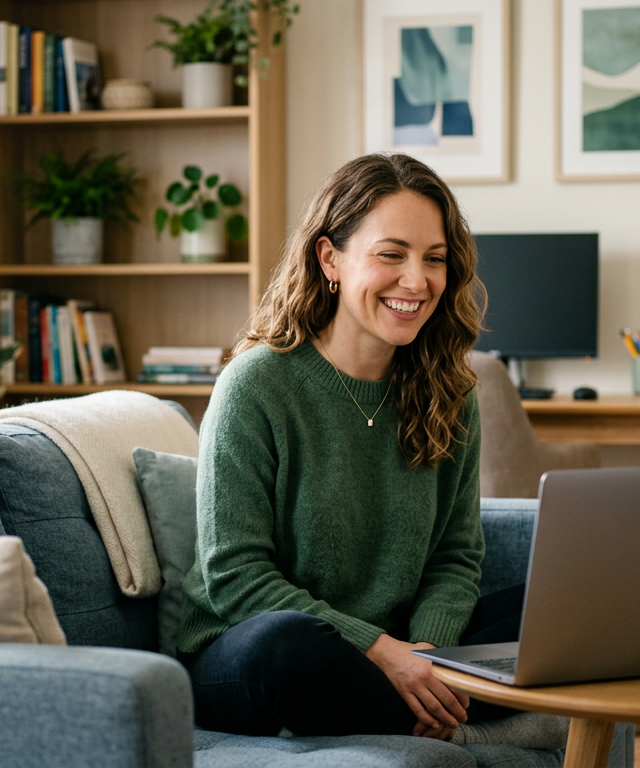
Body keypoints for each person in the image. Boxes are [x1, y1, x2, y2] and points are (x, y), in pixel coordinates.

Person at [176, 153, 567, 748]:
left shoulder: (450, 393)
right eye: (392, 254)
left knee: (566, 603)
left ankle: (428, 706)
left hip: (402, 645)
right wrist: (382, 652)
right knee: (289, 649)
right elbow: (236, 576)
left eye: (434, 259)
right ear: (330, 258)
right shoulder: (255, 386)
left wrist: (432, 657)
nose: (417, 280)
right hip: (252, 649)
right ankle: (469, 725)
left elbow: (456, 557)